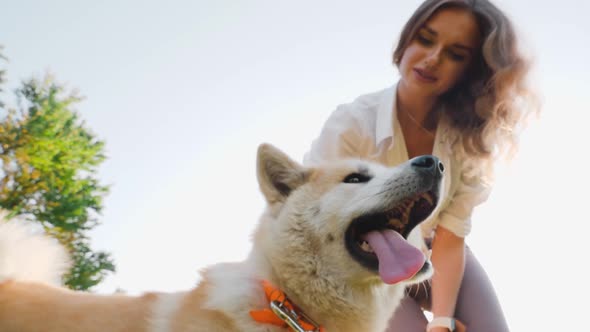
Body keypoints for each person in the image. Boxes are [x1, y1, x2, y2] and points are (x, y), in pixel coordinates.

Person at [303, 0, 538, 331]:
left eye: (456, 54)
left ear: (471, 72)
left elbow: (451, 235)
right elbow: (307, 209)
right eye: (426, 39)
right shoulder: (353, 124)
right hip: (358, 262)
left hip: (431, 251)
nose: (433, 58)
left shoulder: (469, 141)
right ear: (408, 38)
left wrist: (442, 321)